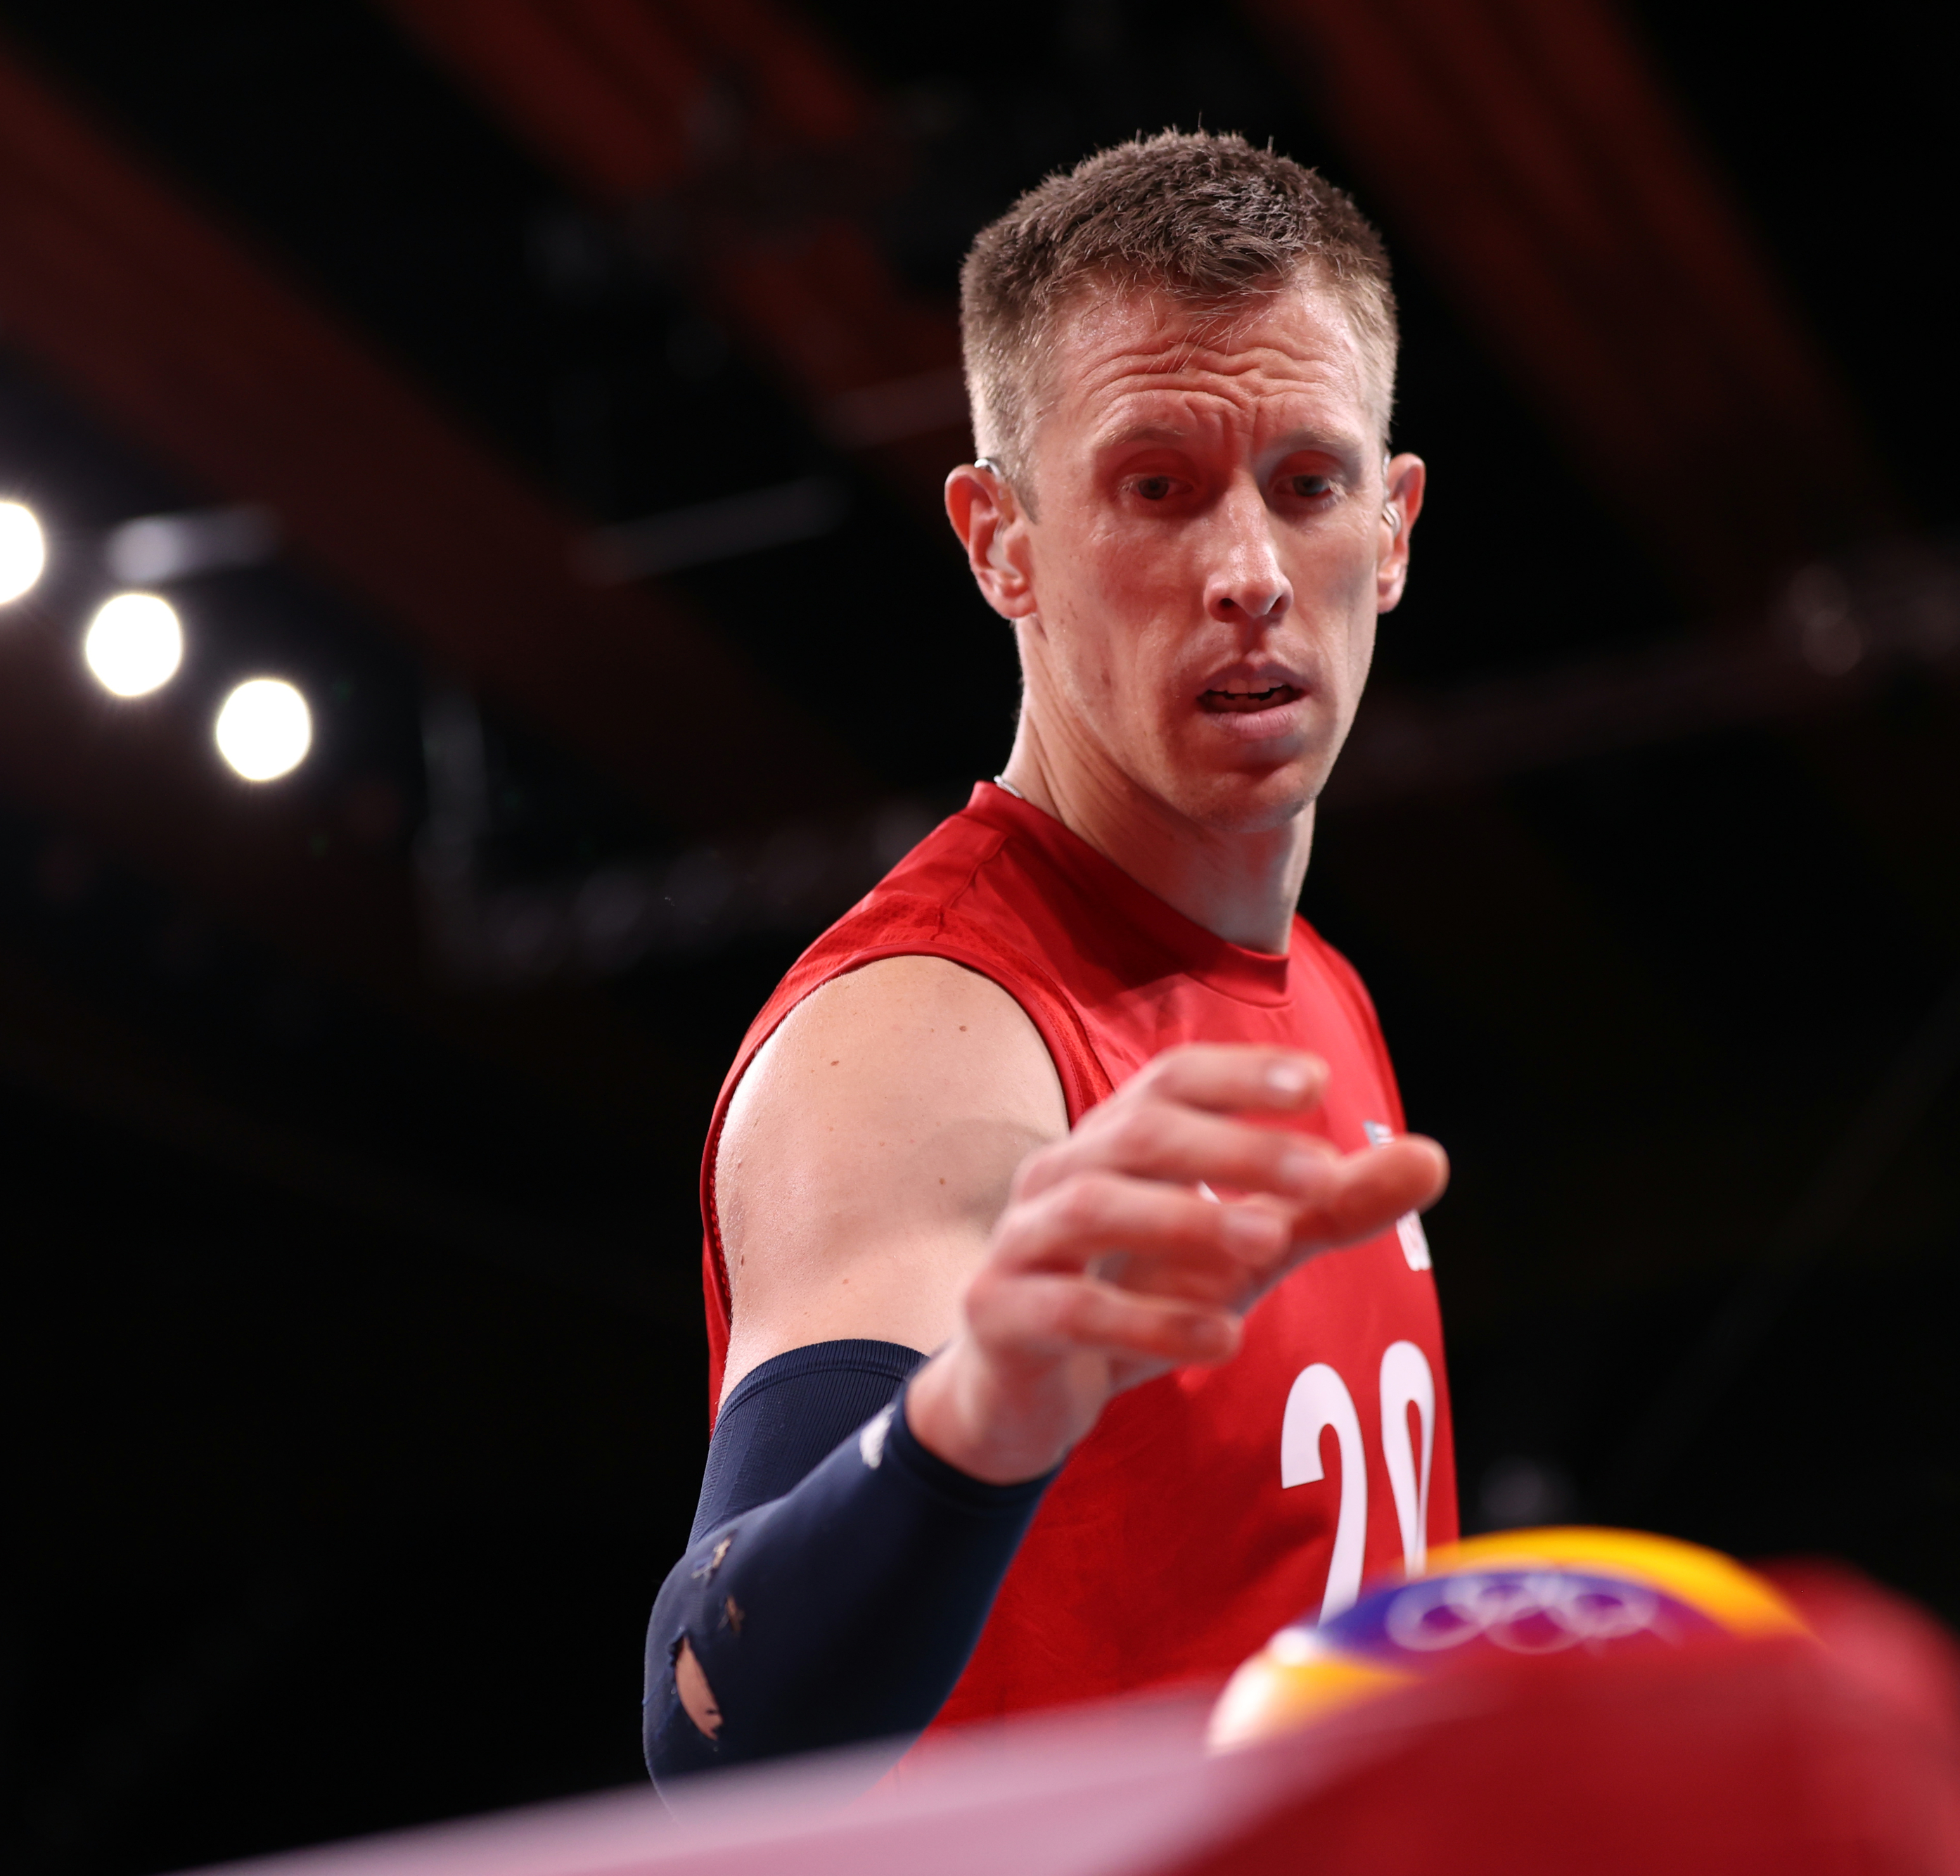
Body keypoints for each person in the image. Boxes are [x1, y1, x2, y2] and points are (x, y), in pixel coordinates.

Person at [643, 131, 1457, 1785]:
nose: (1245, 575)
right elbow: (709, 1720)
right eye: (1153, 487)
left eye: (1307, 484)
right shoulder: (932, 1035)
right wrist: (974, 1413)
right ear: (996, 538)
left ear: (1389, 527)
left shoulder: (1320, 990)